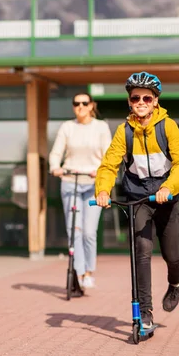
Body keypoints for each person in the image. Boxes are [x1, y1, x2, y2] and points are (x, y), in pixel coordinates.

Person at [95, 71, 179, 329]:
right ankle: (145, 313)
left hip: (166, 197)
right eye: (135, 97)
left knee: (171, 255)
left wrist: (169, 187)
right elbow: (108, 165)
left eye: (146, 98)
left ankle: (175, 283)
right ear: (129, 101)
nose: (140, 102)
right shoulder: (123, 131)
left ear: (155, 101)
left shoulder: (167, 126)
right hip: (138, 198)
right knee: (142, 252)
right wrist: (103, 191)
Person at [49, 92, 112, 289]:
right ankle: (79, 273)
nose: (81, 107)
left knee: (88, 232)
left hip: (93, 183)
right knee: (74, 230)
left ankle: (89, 270)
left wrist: (100, 171)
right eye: (76, 103)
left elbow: (108, 155)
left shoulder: (101, 127)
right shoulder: (67, 127)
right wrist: (54, 167)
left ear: (92, 105)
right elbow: (56, 152)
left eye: (85, 103)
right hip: (71, 181)